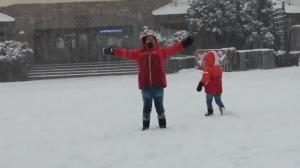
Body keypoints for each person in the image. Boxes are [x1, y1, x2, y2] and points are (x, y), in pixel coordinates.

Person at [103, 30, 193, 130]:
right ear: (144, 41)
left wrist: (185, 43)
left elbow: (174, 48)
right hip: (145, 85)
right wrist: (113, 51)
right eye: (147, 39)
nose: (149, 41)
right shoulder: (139, 53)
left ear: (155, 41)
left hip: (158, 84)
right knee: (147, 107)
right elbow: (126, 53)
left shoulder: (161, 52)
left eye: (151, 39)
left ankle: (162, 124)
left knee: (159, 106)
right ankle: (146, 125)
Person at [196, 51, 225, 116]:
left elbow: (205, 78)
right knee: (218, 100)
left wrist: (200, 84)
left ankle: (210, 111)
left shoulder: (207, 69)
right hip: (218, 88)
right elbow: (220, 76)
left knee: (209, 101)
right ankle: (222, 107)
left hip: (210, 89)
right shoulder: (219, 68)